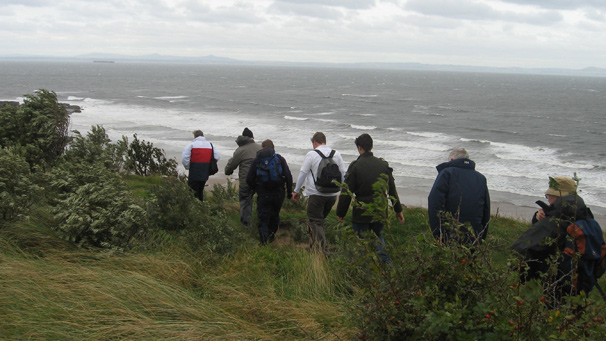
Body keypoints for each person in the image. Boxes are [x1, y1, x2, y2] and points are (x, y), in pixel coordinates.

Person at [512, 176, 597, 301]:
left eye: (548, 196)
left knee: (554, 312)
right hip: (583, 279)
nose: (548, 199)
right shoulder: (583, 213)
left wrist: (516, 270)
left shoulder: (555, 221)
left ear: (558, 197)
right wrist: (539, 218)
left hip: (558, 282)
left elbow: (528, 248)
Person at [336, 133, 405, 263]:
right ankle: (386, 267)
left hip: (361, 211)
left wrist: (341, 212)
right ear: (372, 146)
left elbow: (346, 191)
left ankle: (365, 271)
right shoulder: (383, 165)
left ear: (359, 147)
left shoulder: (355, 166)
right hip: (380, 209)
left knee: (362, 243)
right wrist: (398, 210)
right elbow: (392, 190)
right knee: (378, 237)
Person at [292, 132, 347, 254]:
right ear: (325, 141)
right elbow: (343, 173)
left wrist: (296, 191)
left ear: (315, 142)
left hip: (316, 194)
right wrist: (343, 190)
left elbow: (303, 173)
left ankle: (323, 251)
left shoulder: (312, 154)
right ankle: (313, 248)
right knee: (319, 222)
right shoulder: (336, 154)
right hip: (332, 195)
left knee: (315, 222)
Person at [428, 147, 490, 244]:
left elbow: (434, 203)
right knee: (469, 258)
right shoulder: (481, 178)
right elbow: (486, 209)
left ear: (452, 160)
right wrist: (482, 236)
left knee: (449, 258)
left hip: (450, 232)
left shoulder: (447, 173)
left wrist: (438, 233)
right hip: (475, 233)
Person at [246, 139, 293, 245]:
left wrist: (256, 188)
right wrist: (289, 192)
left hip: (263, 194)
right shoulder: (279, 159)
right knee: (275, 215)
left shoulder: (257, 160)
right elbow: (289, 176)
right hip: (279, 193)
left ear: (262, 148)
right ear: (273, 149)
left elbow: (249, 179)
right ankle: (271, 237)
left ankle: (264, 243)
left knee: (263, 218)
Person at [224, 127, 262, 227]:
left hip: (246, 181)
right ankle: (260, 223)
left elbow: (230, 166)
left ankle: (246, 226)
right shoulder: (260, 148)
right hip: (261, 180)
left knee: (245, 202)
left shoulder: (240, 150)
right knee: (261, 201)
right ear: (253, 137)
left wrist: (228, 171)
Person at [181, 130, 220, 202]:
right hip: (205, 171)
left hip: (194, 170)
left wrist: (188, 167)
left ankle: (194, 207)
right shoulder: (211, 145)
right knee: (200, 189)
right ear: (203, 136)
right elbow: (217, 157)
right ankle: (201, 206)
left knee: (192, 190)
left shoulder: (191, 145)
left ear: (195, 136)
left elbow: (185, 158)